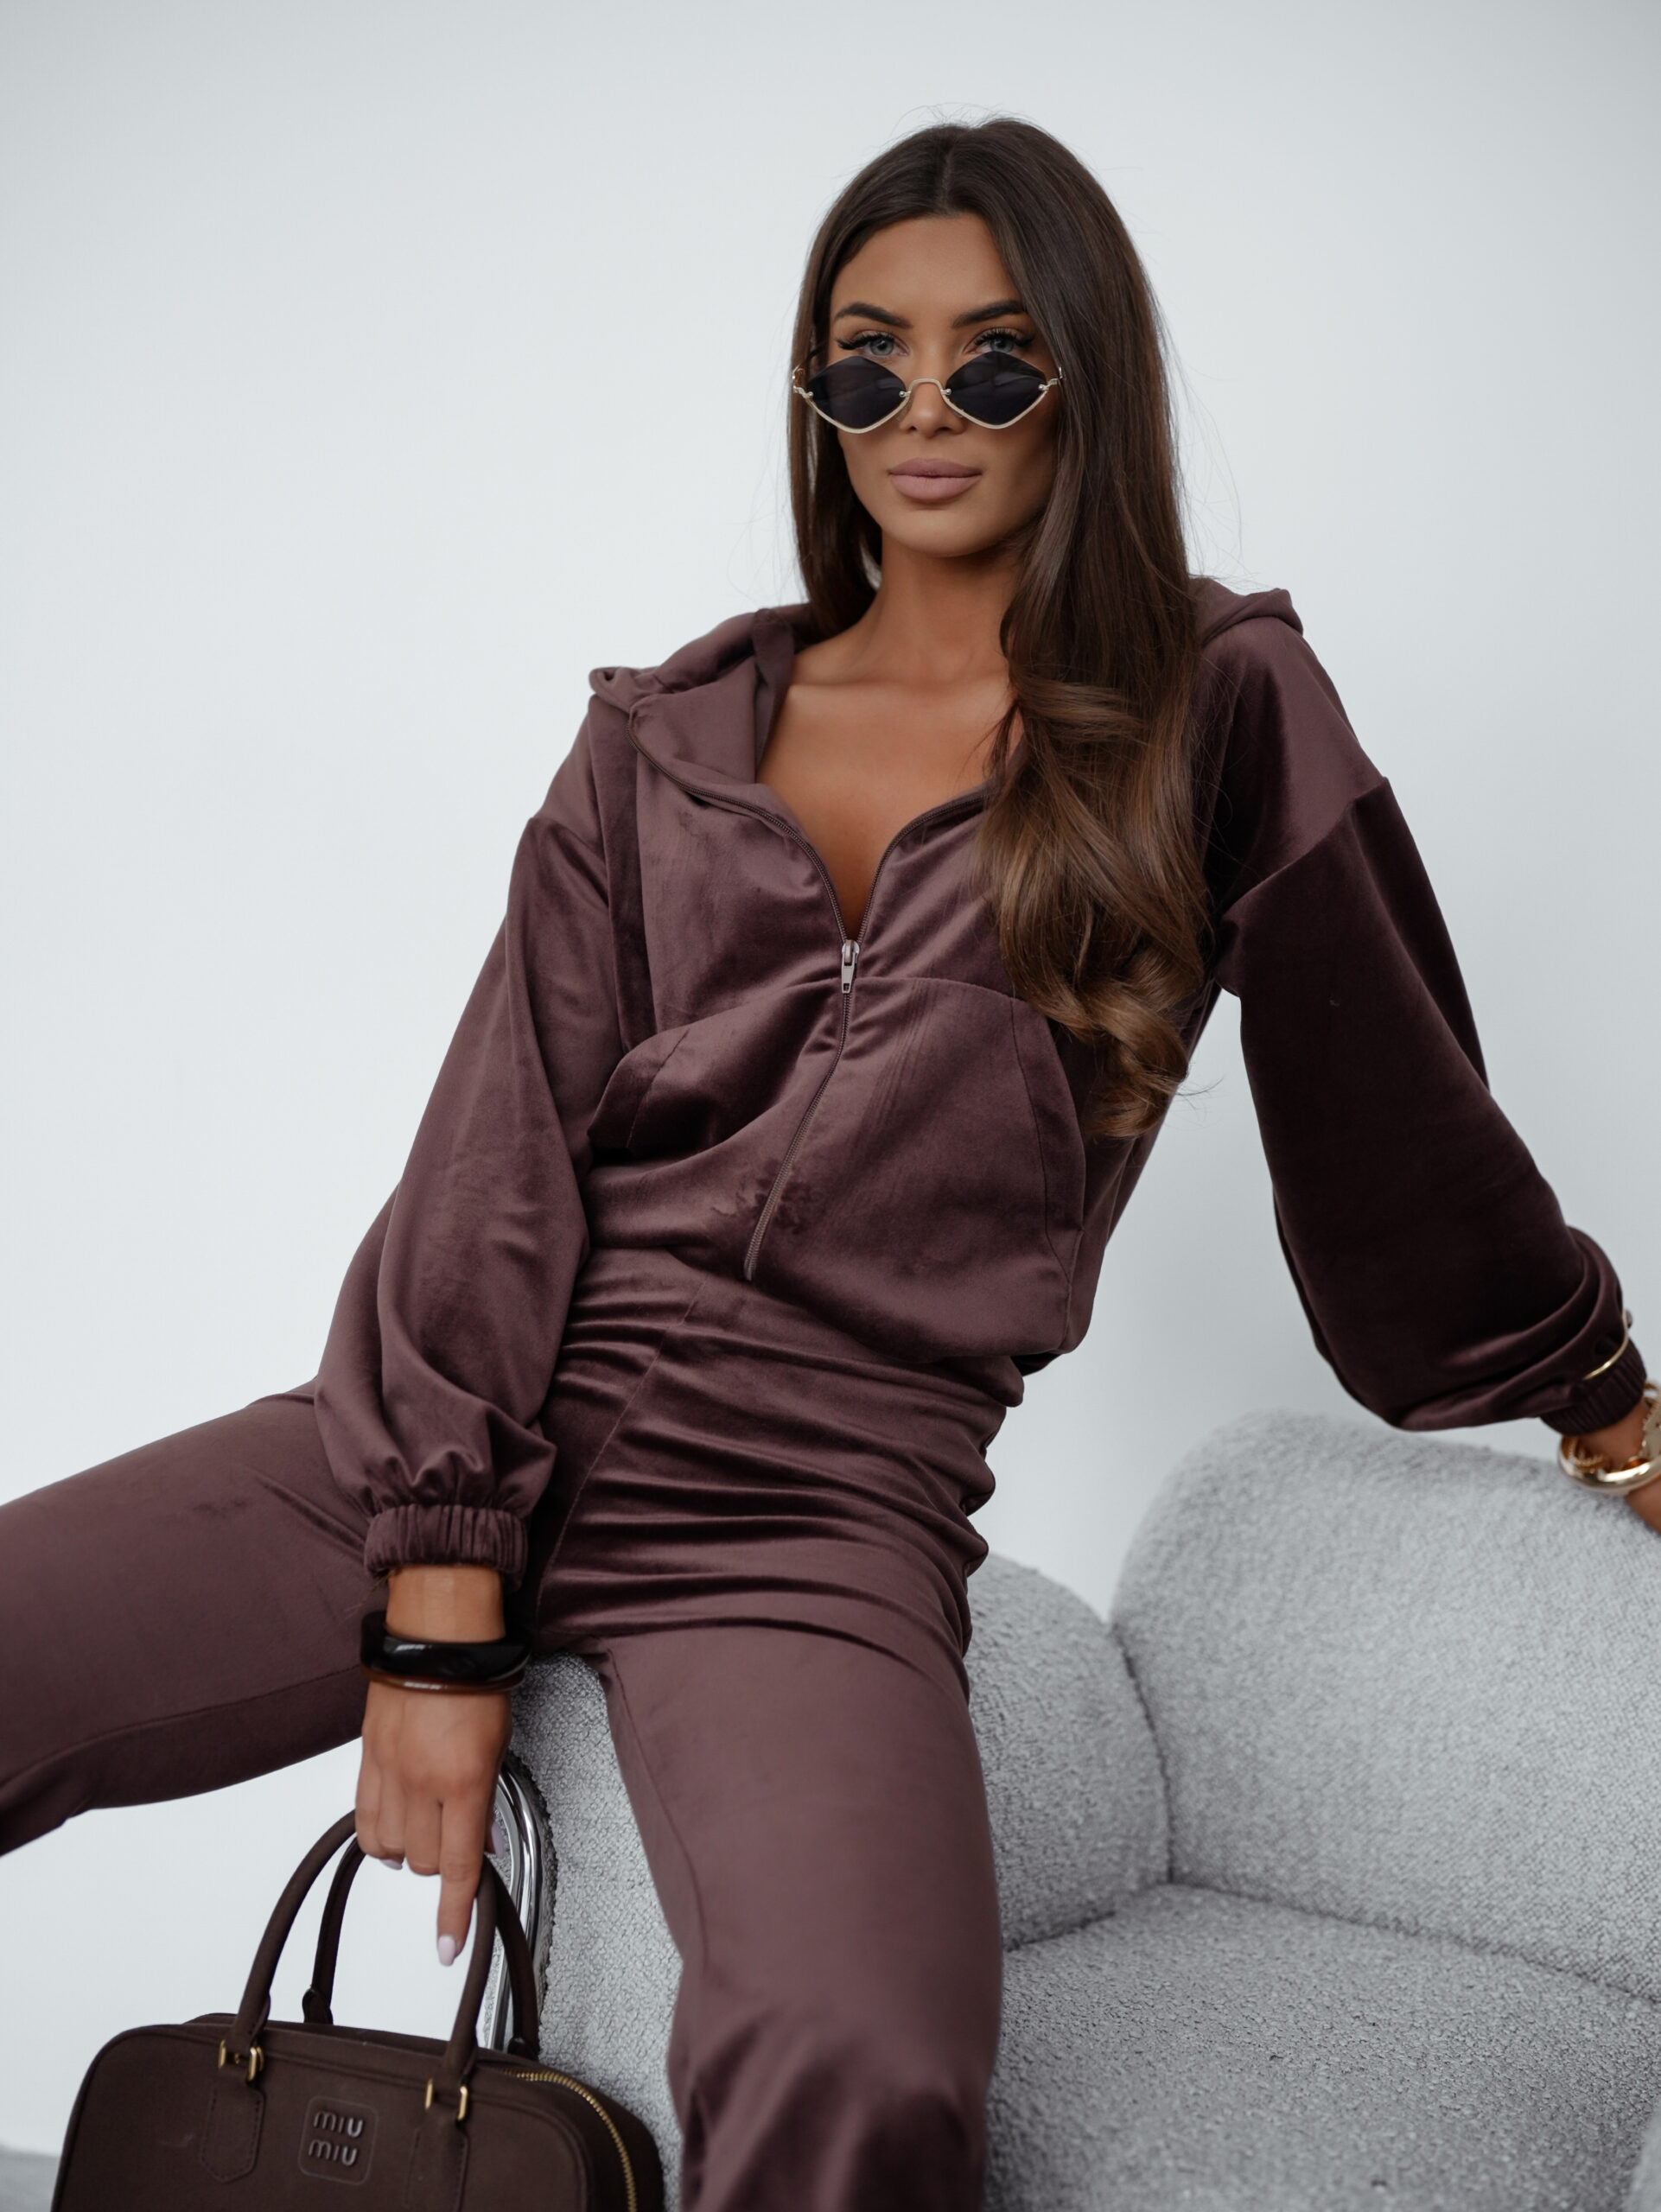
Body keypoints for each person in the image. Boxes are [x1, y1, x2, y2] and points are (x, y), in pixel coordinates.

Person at [2, 117, 1652, 2212]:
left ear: (1083, 381)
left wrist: (1599, 1399)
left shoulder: (1215, 704)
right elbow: (492, 1165)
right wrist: (436, 1594)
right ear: (816, 393)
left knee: (862, 2070)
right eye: (868, 361)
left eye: (992, 358)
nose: (923, 411)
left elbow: (1394, 1112)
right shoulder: (664, 736)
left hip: (809, 1510)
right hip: (456, 1425)